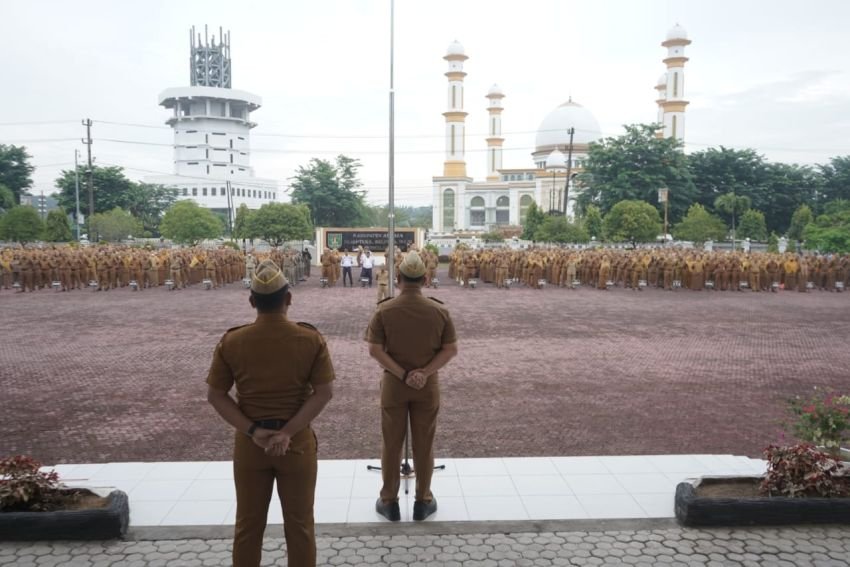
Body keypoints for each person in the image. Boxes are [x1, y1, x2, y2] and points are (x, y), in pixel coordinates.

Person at [206, 260, 335, 567]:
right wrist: (288, 432)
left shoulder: (232, 341)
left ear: (252, 302)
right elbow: (324, 393)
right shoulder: (310, 339)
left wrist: (253, 431)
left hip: (251, 444)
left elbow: (215, 395)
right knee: (300, 526)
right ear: (288, 298)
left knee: (248, 527)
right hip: (297, 443)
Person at [365, 251, 458, 522]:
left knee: (391, 444)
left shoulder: (385, 309)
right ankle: (422, 501)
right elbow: (450, 349)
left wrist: (403, 374)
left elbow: (374, 350)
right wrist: (424, 373)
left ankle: (389, 501)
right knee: (424, 444)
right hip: (427, 386)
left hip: (394, 384)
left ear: (398, 278)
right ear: (426, 278)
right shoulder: (438, 311)